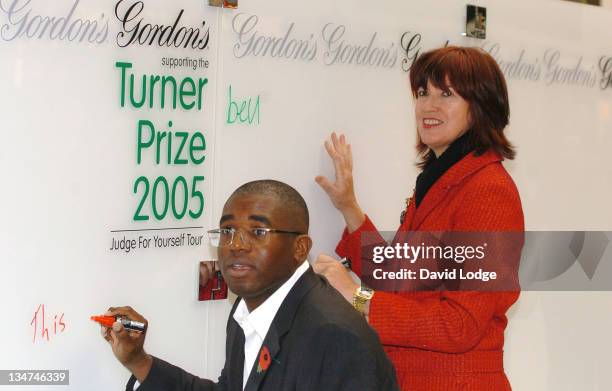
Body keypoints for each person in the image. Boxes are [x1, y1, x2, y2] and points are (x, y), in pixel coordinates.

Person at [314, 46, 524, 390]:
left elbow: (461, 324)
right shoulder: (440, 179)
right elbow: (400, 281)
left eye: (448, 94)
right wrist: (349, 208)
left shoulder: (487, 190)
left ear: (481, 106)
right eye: (423, 92)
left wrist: (356, 295)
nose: (429, 105)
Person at [101, 180, 399, 391]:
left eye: (258, 231)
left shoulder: (335, 336)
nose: (236, 245)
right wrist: (138, 361)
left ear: (300, 248)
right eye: (228, 230)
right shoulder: (247, 308)